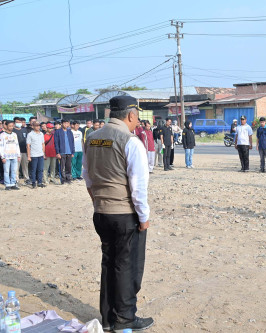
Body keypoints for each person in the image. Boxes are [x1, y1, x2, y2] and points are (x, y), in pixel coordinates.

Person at [82, 96, 153, 332]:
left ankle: (108, 318)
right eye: (137, 117)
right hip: (124, 214)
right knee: (126, 266)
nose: (137, 122)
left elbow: (88, 177)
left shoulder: (92, 138)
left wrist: (98, 202)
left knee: (108, 263)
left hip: (101, 212)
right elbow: (138, 186)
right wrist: (143, 218)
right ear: (131, 115)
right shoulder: (130, 141)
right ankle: (124, 319)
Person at [0, 120, 21, 190]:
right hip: (6, 156)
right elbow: (1, 146)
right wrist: (2, 157)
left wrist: (18, 155)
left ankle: (13, 183)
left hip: (14, 156)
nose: (11, 127)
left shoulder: (14, 134)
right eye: (10, 126)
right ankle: (7, 184)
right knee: (6, 171)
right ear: (6, 126)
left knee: (14, 170)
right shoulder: (2, 135)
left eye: (12, 126)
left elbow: (17, 145)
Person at [54, 119, 75, 185]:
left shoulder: (70, 132)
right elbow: (56, 143)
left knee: (68, 167)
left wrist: (72, 152)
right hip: (62, 152)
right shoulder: (58, 132)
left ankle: (68, 179)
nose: (66, 125)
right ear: (62, 124)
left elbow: (72, 142)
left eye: (67, 123)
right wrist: (57, 152)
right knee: (62, 167)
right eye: (65, 123)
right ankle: (63, 180)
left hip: (69, 152)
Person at [26, 122, 45, 189]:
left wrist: (43, 153)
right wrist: (29, 156)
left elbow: (43, 144)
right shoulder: (30, 134)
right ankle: (33, 182)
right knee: (33, 170)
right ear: (33, 126)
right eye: (36, 126)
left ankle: (39, 182)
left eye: (38, 126)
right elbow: (28, 146)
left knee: (40, 169)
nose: (38, 127)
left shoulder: (41, 134)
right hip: (33, 155)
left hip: (40, 154)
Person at [13, 117, 29, 184]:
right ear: (14, 123)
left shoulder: (24, 130)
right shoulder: (13, 131)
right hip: (17, 152)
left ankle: (26, 179)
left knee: (25, 166)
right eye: (17, 122)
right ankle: (16, 180)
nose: (19, 123)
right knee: (16, 167)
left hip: (25, 151)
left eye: (20, 122)